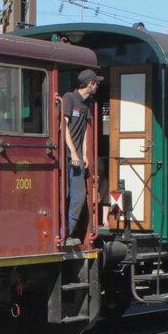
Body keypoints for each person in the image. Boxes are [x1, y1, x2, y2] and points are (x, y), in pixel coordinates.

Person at [62, 69, 102, 247]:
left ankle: (67, 233)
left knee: (78, 196)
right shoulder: (69, 98)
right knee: (69, 194)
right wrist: (72, 152)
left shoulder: (86, 105)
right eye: (96, 83)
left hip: (78, 158)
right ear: (90, 84)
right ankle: (64, 235)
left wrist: (84, 154)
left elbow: (85, 132)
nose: (98, 86)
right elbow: (63, 127)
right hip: (67, 157)